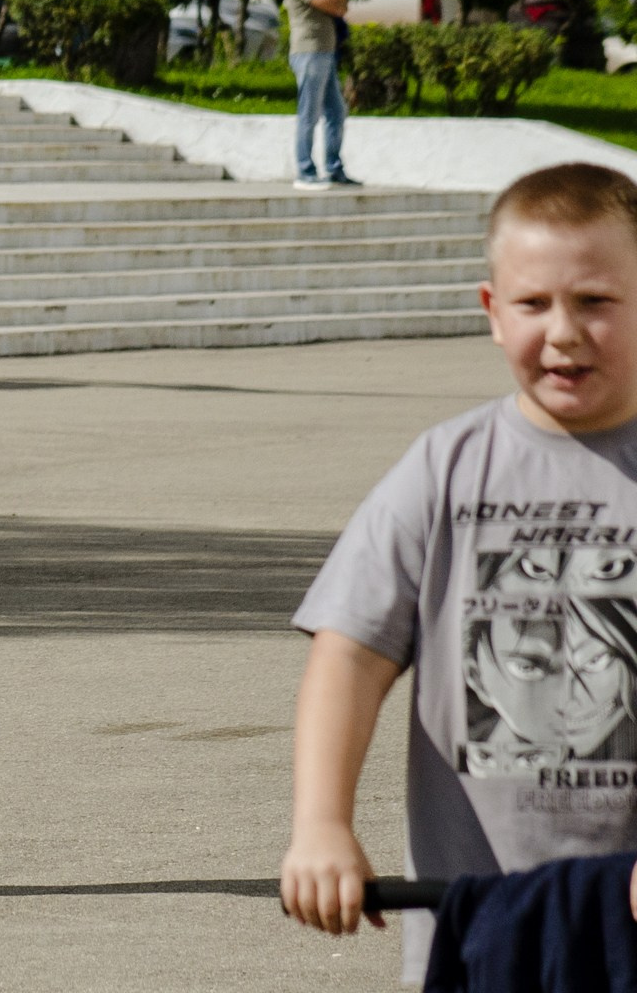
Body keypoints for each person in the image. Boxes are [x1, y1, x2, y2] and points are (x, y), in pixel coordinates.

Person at [281, 162, 637, 980]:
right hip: (476, 924)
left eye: (595, 301)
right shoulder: (445, 469)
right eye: (533, 303)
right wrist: (321, 824)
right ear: (490, 312)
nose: (563, 331)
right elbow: (349, 658)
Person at [284, 0, 356, 189]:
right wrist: (336, 1)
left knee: (336, 112)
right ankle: (304, 172)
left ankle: (334, 168)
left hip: (324, 52)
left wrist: (336, 1)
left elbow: (341, 5)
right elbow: (331, 5)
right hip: (309, 52)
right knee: (309, 113)